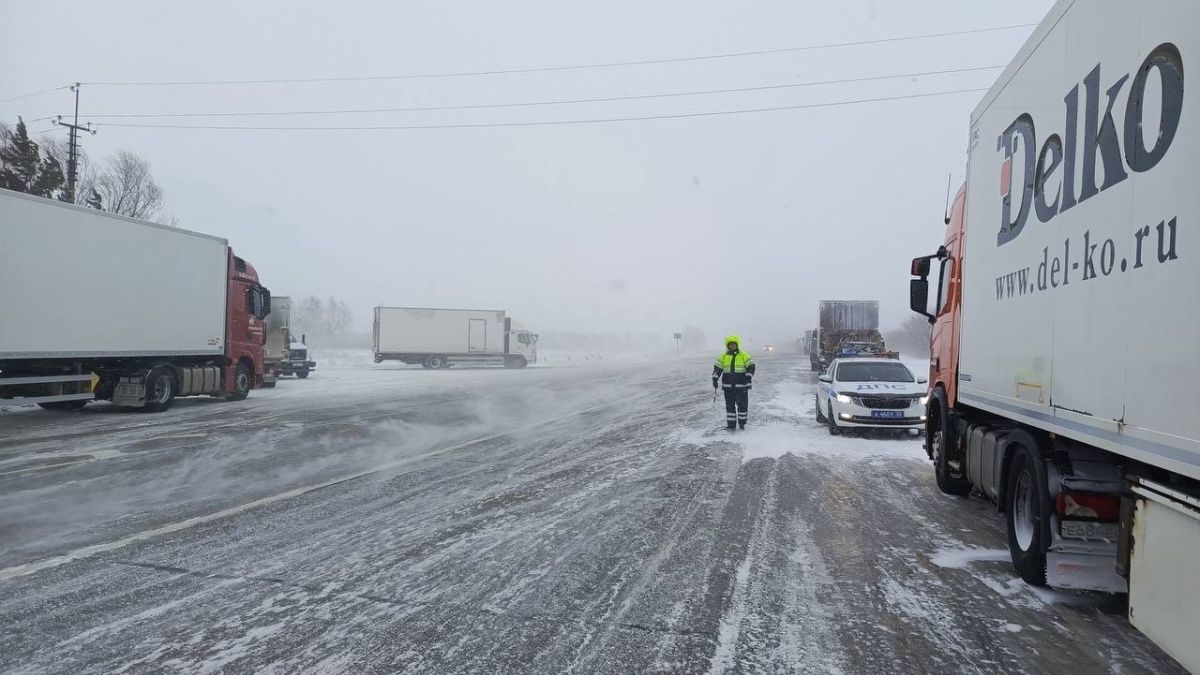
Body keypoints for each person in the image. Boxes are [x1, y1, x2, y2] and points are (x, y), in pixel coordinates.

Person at [712, 335, 756, 430]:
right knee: (730, 407)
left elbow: (751, 366)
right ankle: (731, 426)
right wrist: (715, 378)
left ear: (737, 345)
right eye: (730, 344)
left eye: (734, 344)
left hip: (741, 386)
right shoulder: (723, 356)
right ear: (727, 346)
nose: (732, 346)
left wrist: (748, 377)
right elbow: (717, 368)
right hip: (728, 387)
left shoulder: (744, 355)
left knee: (742, 406)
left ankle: (742, 424)